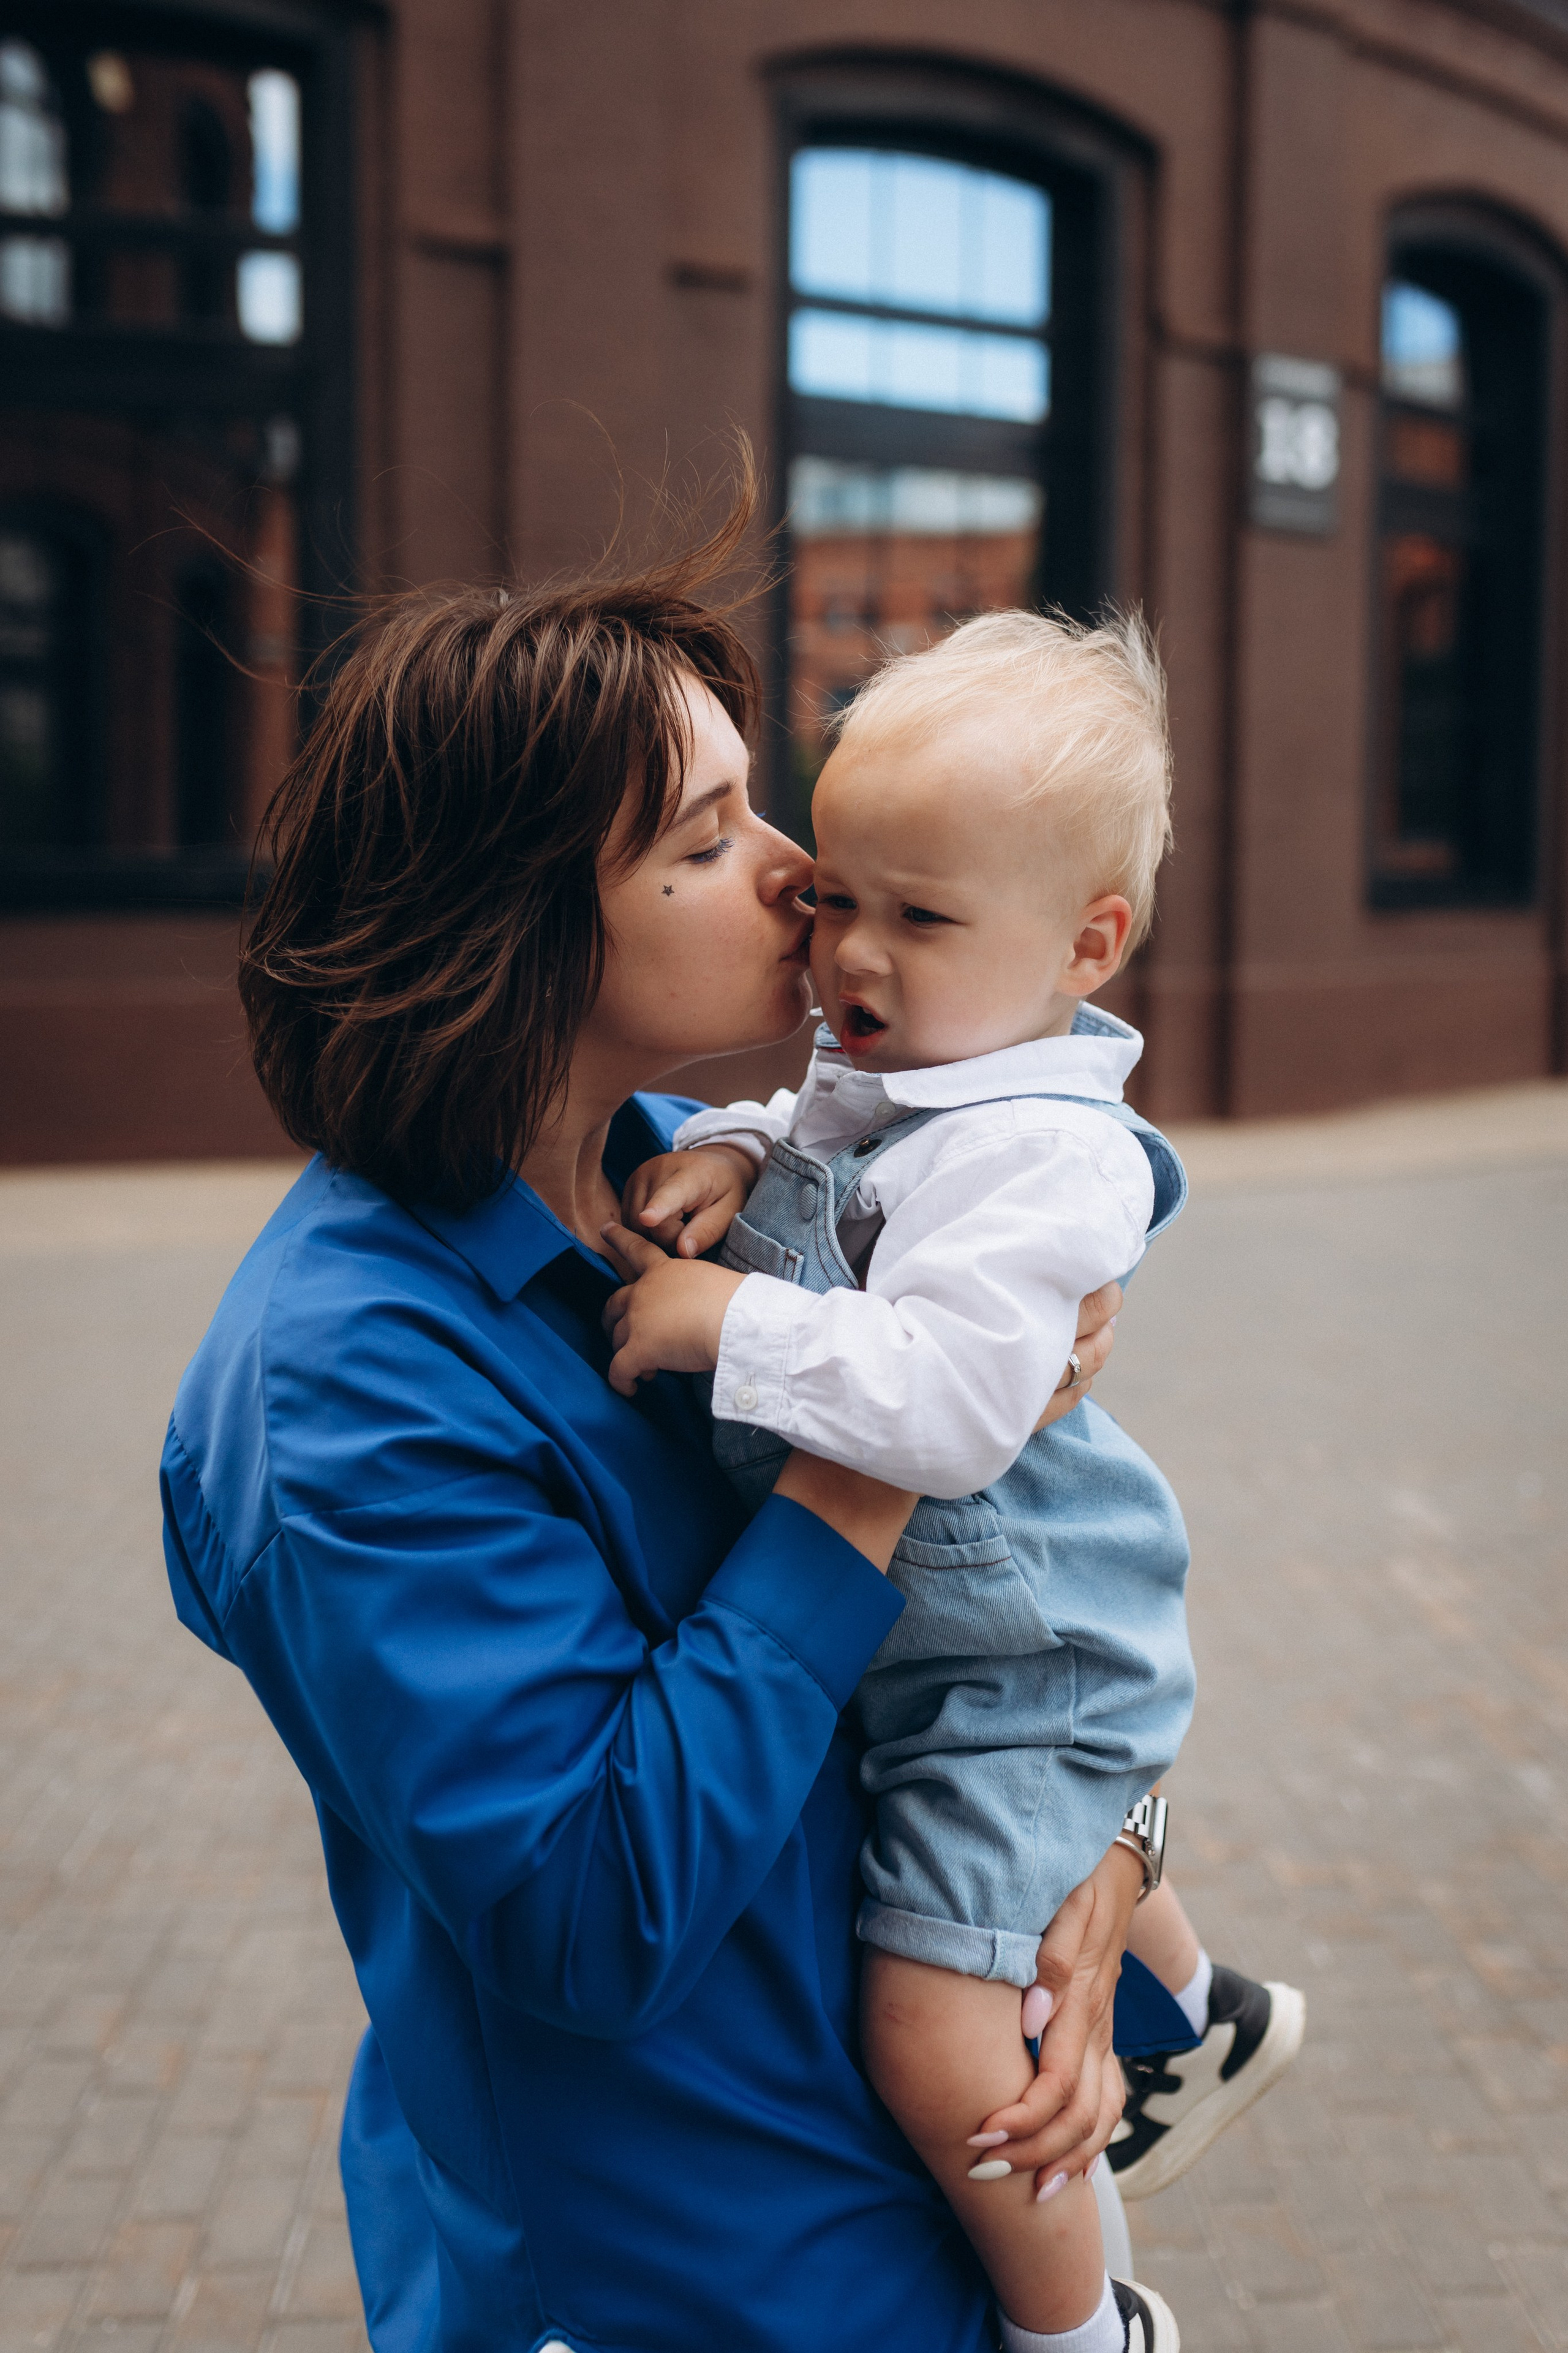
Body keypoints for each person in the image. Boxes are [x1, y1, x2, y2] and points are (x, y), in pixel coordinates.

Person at [158, 497, 1150, 2353]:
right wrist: (885, 1436)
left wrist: (1105, 1841)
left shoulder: (679, 1187)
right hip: (680, 2284)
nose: (800, 875)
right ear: (516, 925)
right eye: (709, 837)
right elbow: (595, 1913)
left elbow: (995, 1622)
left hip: (898, 2210)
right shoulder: (341, 1391)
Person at [601, 613, 1300, 2353]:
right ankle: (1200, 2013)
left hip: (1024, 1654)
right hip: (973, 1639)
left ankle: (1085, 2332)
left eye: (920, 914)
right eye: (838, 892)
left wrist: (725, 1317)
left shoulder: (1045, 1155)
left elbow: (940, 1407)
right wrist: (738, 1145)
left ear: (1090, 943)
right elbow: (832, 1128)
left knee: (936, 2030)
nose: (850, 952)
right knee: (1002, 1974)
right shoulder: (922, 1059)